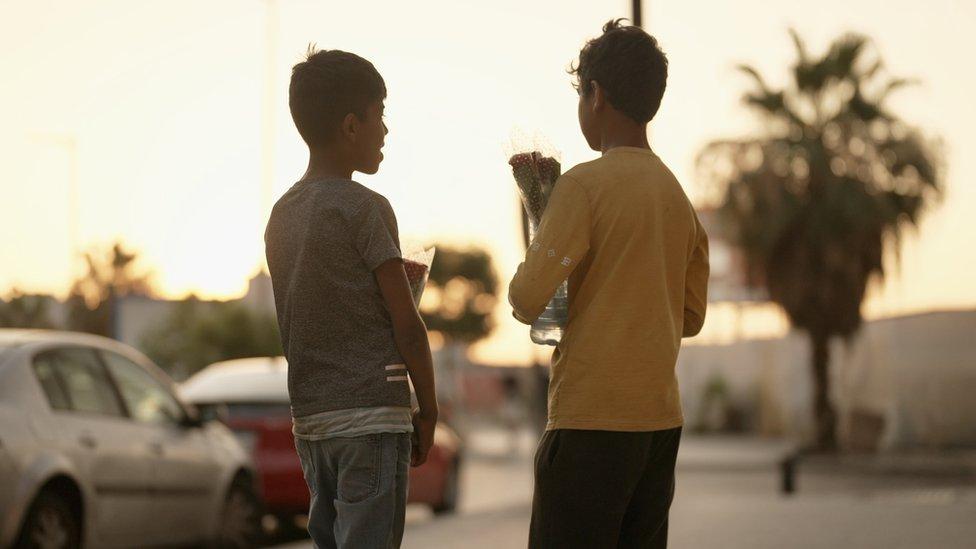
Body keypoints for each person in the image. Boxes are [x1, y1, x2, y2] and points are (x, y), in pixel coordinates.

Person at [508, 20, 710, 549]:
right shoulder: (677, 198)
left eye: (581, 95)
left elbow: (527, 299)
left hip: (588, 425)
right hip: (659, 426)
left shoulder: (582, 186)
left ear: (595, 95)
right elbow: (690, 318)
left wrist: (540, 222)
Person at [264, 47, 438, 549]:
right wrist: (427, 409)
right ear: (350, 126)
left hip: (313, 424)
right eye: (379, 114)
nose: (386, 130)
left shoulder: (281, 215)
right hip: (372, 419)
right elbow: (406, 324)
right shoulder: (365, 209)